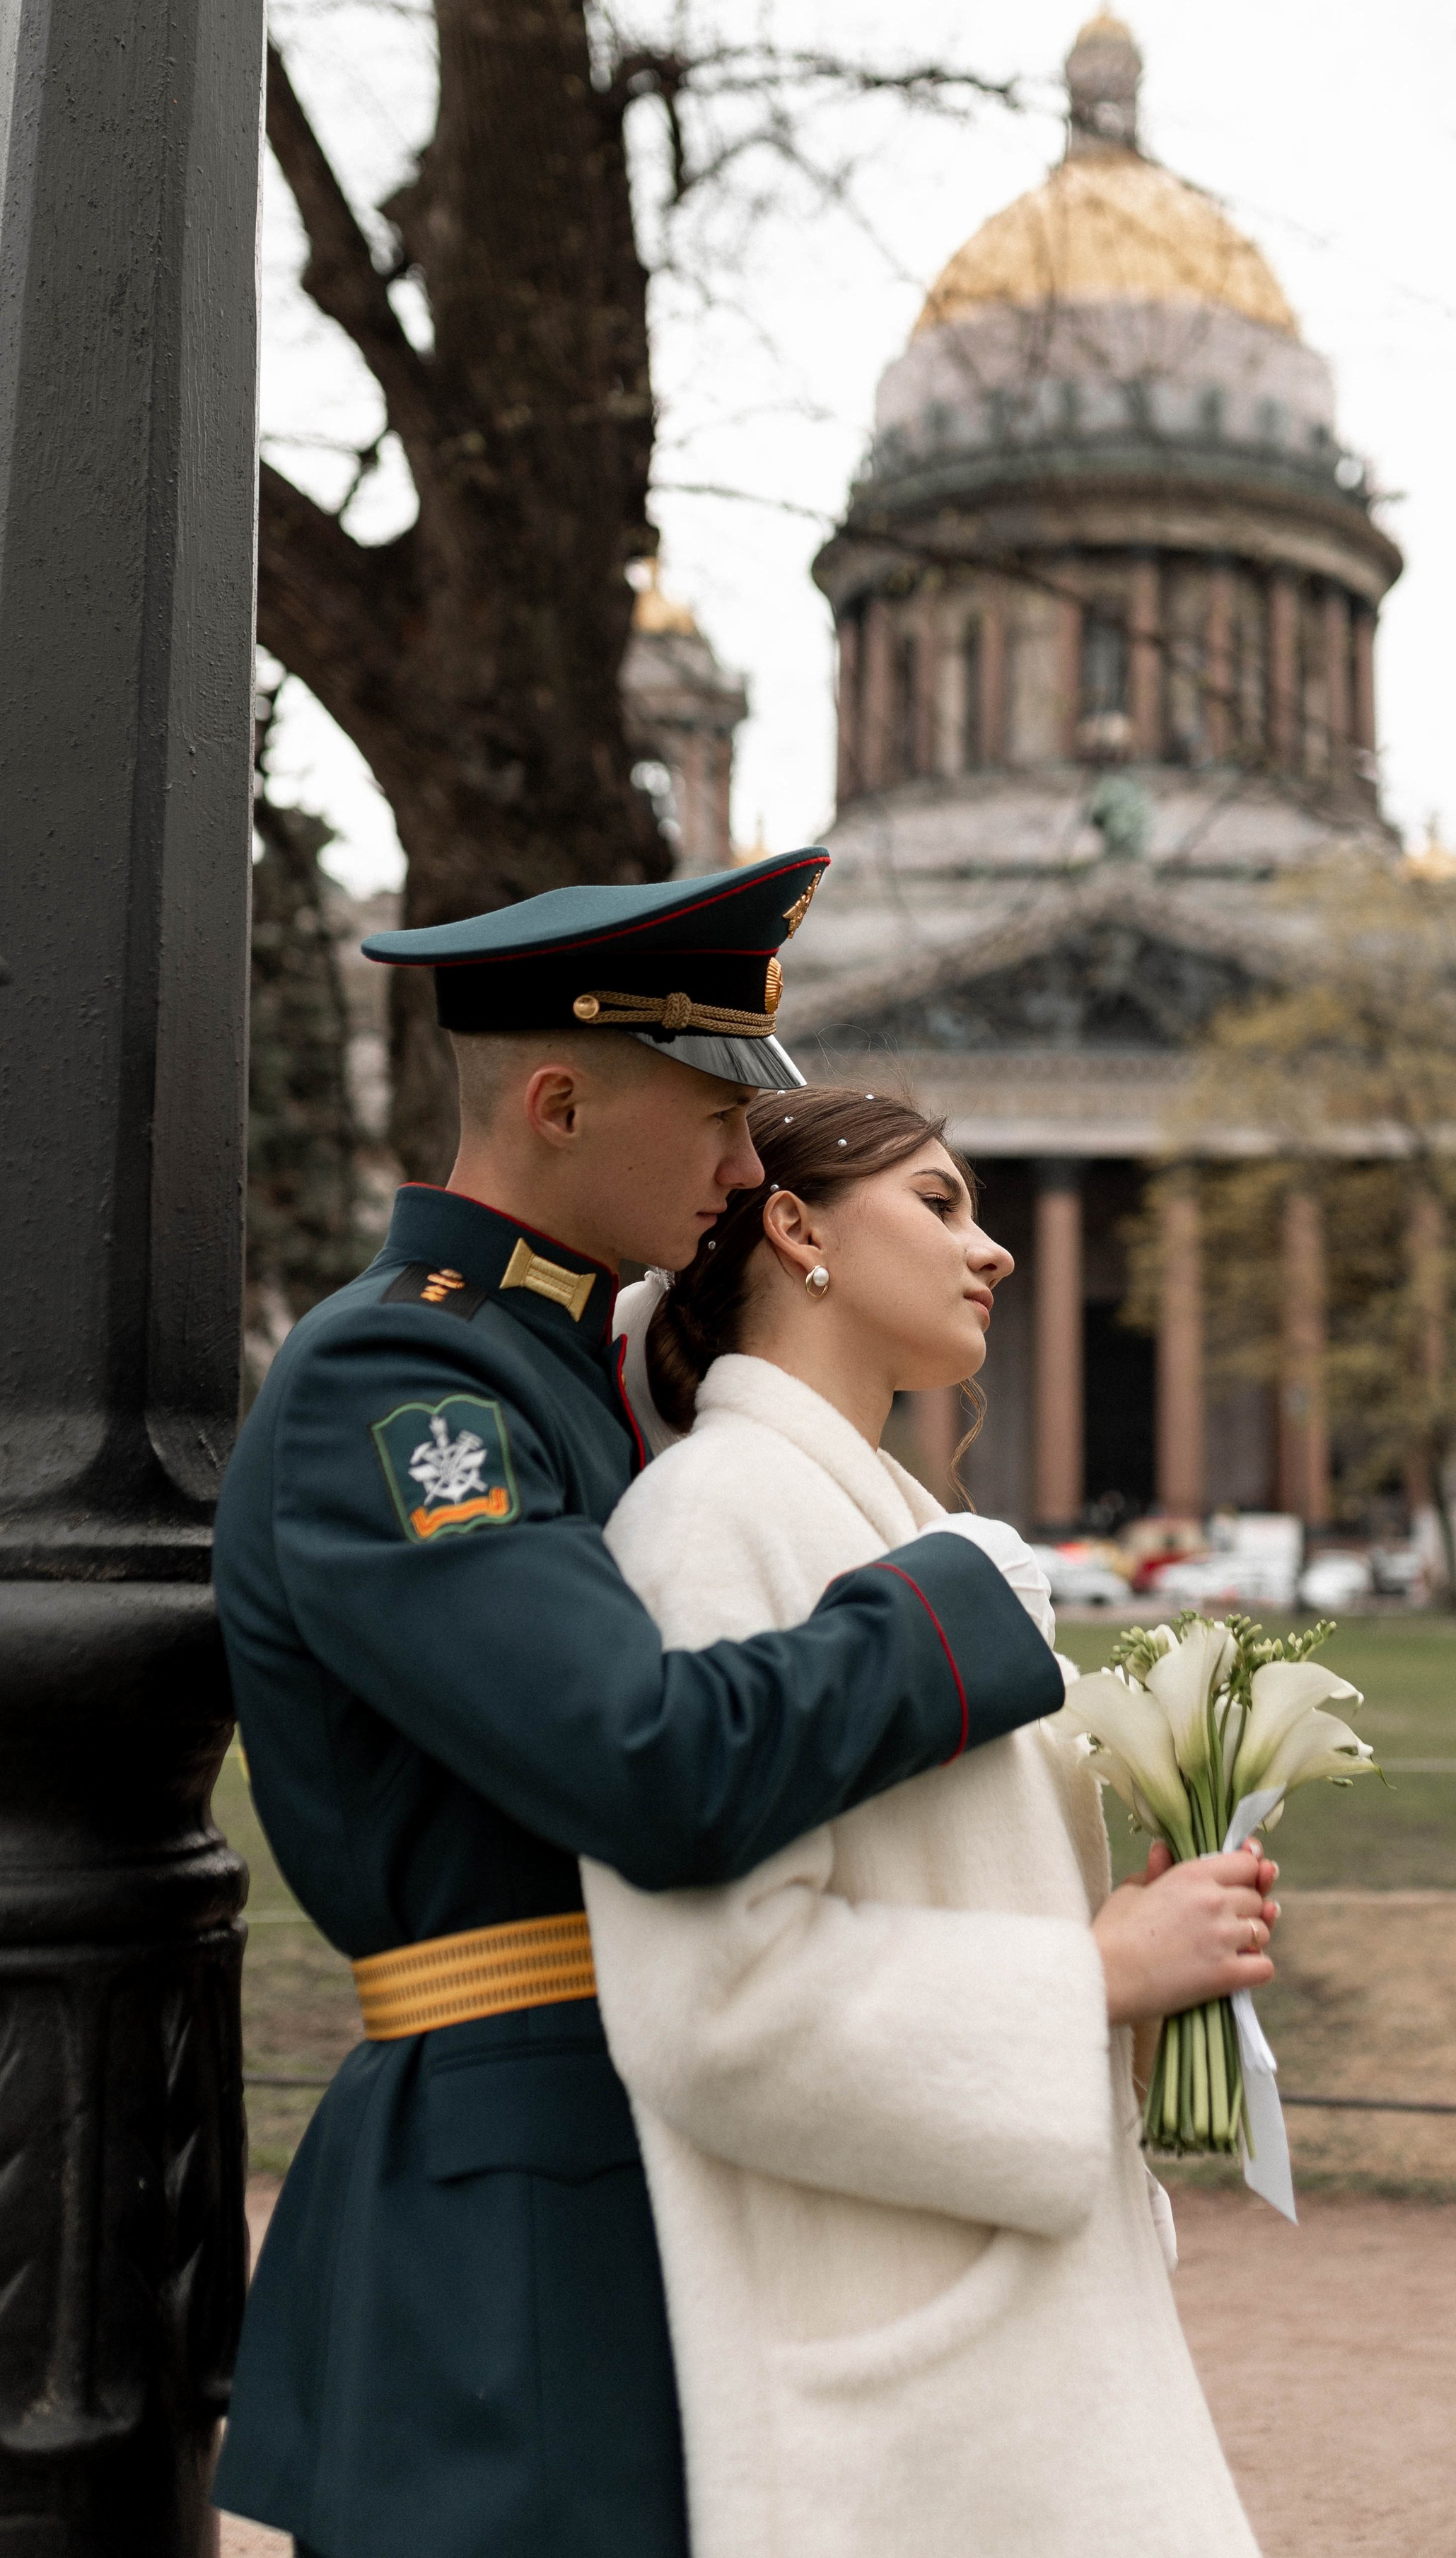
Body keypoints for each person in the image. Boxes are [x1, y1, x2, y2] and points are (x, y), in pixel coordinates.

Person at [210, 849, 1076, 2558]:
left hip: (621, 2145)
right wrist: (954, 1608)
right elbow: (642, 1762)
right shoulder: (405, 1377)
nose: (751, 1166)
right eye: (714, 1119)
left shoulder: (558, 1376)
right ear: (552, 1099)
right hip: (512, 2187)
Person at [586, 1086, 1280, 2558]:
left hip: (1010, 2349)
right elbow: (714, 2004)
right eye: (940, 1204)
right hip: (904, 2398)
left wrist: (1156, 1958)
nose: (998, 1252)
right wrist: (1095, 1975)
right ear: (794, 1228)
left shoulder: (897, 1524)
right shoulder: (713, 1517)